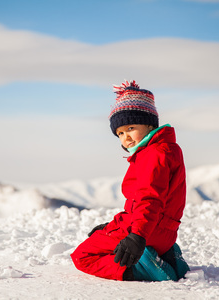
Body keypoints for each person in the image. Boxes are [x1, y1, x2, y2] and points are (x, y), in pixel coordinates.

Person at [70, 80, 190, 281]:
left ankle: (144, 267)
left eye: (131, 127)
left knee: (83, 256)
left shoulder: (151, 155)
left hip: (146, 232)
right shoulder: (168, 149)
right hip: (165, 234)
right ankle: (166, 256)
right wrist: (112, 226)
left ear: (150, 124)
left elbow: (149, 199)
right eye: (120, 133)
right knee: (105, 240)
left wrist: (137, 237)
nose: (126, 137)